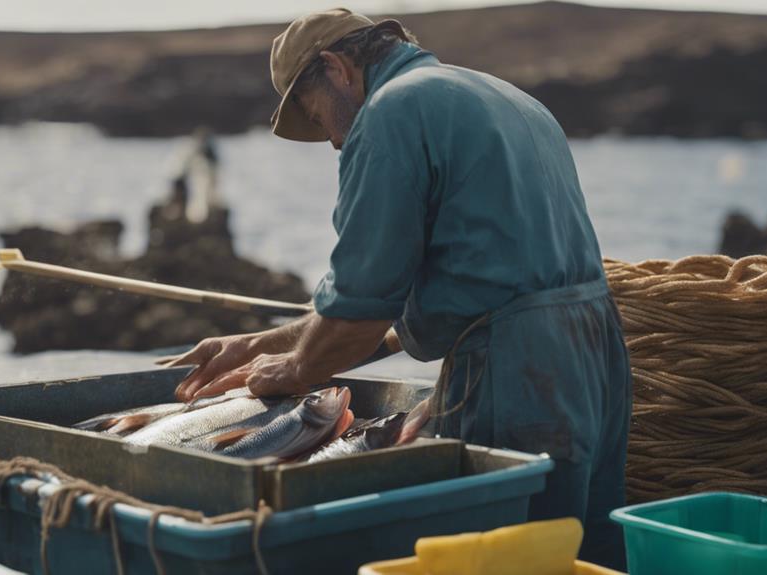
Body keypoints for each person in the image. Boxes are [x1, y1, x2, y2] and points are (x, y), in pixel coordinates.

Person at [162, 8, 631, 569]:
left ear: (337, 69)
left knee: (503, 559)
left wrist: (291, 372)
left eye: (320, 119)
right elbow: (443, 291)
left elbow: (358, 311)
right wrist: (260, 345)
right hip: (599, 357)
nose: (335, 143)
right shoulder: (502, 96)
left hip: (518, 373)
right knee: (584, 558)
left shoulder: (390, 114)